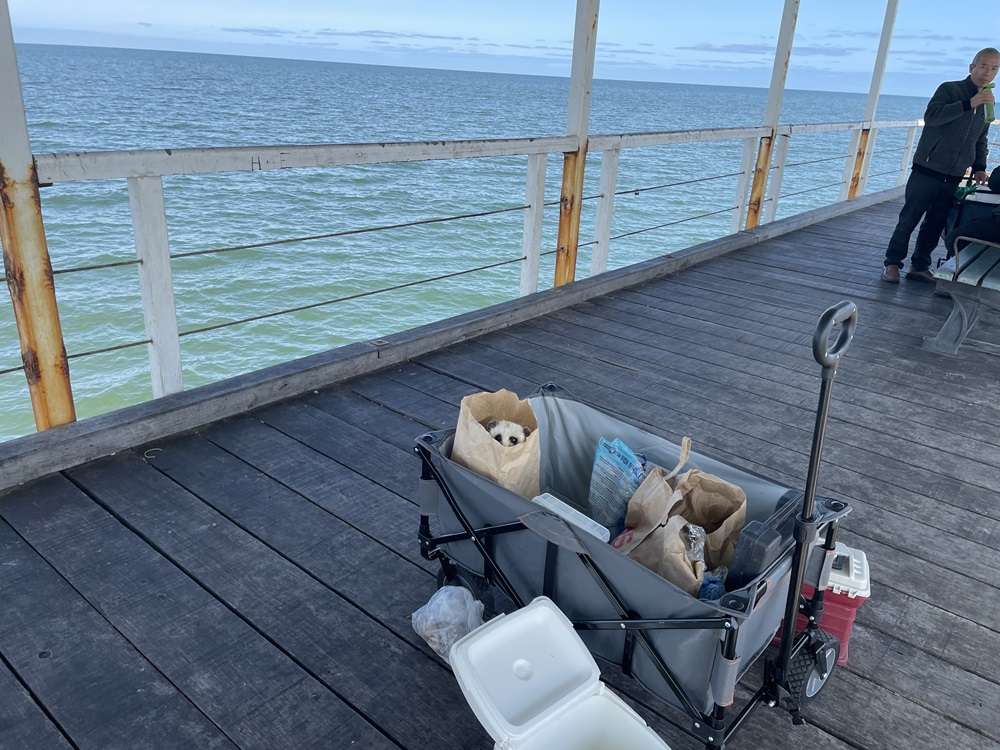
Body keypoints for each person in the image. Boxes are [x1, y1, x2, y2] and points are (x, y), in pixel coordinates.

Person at [882, 48, 999, 283]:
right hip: (927, 169)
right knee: (909, 218)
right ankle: (892, 264)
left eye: (994, 68)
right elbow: (933, 117)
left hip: (954, 174)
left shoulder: (988, 101)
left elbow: (980, 137)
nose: (988, 72)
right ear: (971, 67)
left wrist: (979, 166)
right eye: (984, 66)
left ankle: (920, 266)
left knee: (935, 223)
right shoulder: (950, 89)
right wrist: (969, 103)